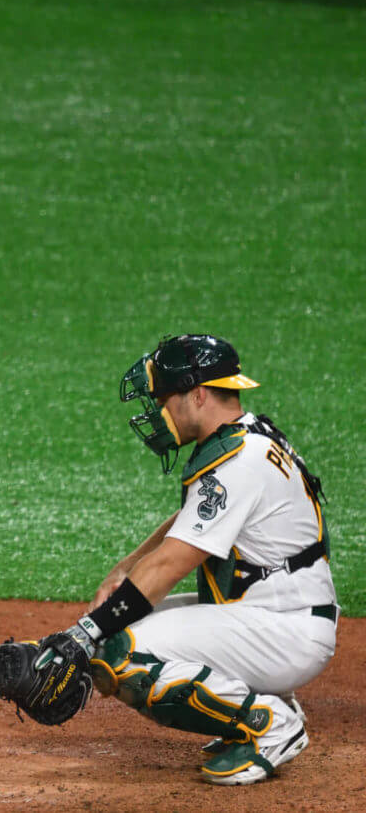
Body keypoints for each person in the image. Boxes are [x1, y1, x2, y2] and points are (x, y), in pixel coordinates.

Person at [37, 334, 337, 785]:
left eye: (162, 398)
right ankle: (263, 702)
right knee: (112, 634)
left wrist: (85, 632)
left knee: (117, 651)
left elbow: (173, 561)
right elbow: (194, 517)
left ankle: (269, 724)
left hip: (284, 629)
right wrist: (126, 566)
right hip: (276, 613)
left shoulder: (239, 460)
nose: (156, 411)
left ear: (197, 394)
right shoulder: (249, 437)